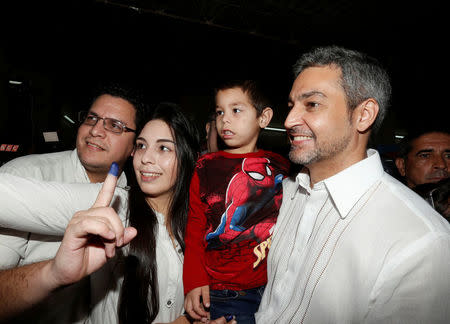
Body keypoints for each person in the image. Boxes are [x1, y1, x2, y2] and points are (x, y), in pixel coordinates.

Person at [250, 46, 450, 323]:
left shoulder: (422, 241)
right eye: (291, 106)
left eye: (312, 104)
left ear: (363, 114)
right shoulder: (285, 194)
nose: (290, 120)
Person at [0, 102, 201, 323]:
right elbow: (11, 197)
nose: (146, 158)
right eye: (142, 146)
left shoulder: (199, 222)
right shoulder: (114, 204)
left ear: (188, 156)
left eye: (163, 148)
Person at [0, 82, 143, 323]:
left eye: (115, 126)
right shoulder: (25, 175)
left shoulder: (137, 196)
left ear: (134, 147)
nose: (96, 130)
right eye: (92, 118)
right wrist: (53, 273)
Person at [183, 80, 291, 323]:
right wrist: (193, 280)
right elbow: (195, 226)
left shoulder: (281, 166)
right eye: (220, 112)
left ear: (263, 118)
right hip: (224, 292)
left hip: (274, 288)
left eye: (236, 110)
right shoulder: (205, 167)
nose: (225, 120)